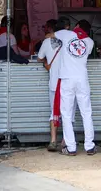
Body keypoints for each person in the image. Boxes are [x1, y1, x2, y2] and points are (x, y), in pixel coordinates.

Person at [56, 18, 96, 156]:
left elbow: (51, 35)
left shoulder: (66, 34)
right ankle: (89, 146)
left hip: (67, 79)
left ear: (77, 26)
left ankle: (71, 147)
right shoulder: (90, 42)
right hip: (82, 79)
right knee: (86, 112)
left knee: (66, 114)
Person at [37, 19, 63, 151]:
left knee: (54, 112)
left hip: (54, 82)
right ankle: (66, 141)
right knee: (68, 112)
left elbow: (39, 58)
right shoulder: (70, 42)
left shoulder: (47, 42)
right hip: (68, 82)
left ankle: (53, 141)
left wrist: (47, 61)